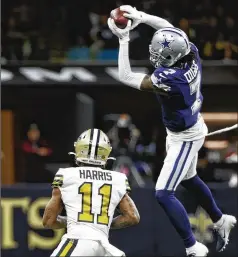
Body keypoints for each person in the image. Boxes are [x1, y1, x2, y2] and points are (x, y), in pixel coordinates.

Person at [107, 5, 236, 257]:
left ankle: (193, 246)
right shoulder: (190, 50)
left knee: (163, 193)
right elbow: (166, 26)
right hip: (189, 126)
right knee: (188, 178)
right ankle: (221, 220)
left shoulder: (170, 79)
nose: (154, 54)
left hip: (184, 137)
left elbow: (125, 75)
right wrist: (142, 17)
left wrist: (123, 40)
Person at [42, 128, 140, 256]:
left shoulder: (66, 175)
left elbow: (48, 221)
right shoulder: (118, 178)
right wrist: (101, 225)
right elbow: (133, 217)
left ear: (78, 149)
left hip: (77, 241)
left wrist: (73, 221)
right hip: (104, 247)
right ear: (106, 153)